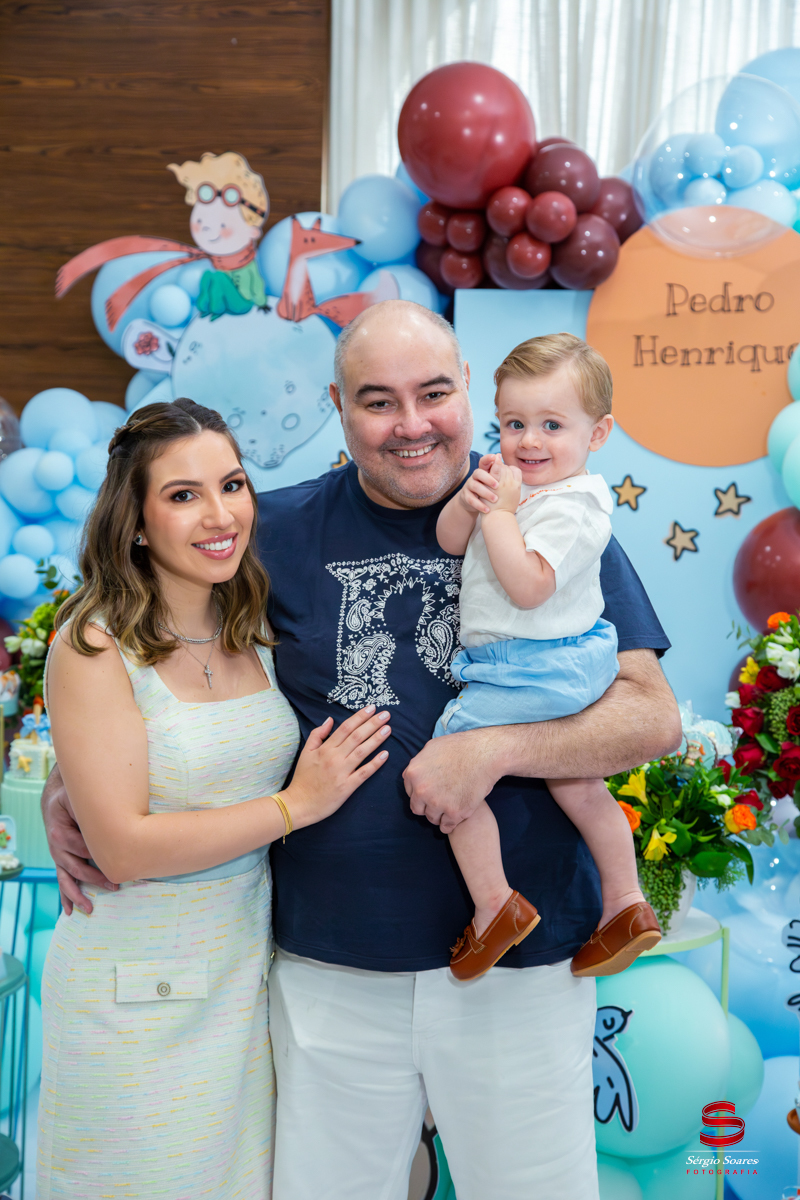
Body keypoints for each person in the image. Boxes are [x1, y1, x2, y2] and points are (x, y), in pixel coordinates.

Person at [43, 301, 681, 1200]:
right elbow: (157, 656)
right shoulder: (269, 532)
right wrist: (72, 781)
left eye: (434, 393)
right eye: (379, 401)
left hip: (521, 969)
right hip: (327, 970)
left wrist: (491, 751)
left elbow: (651, 716)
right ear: (338, 406)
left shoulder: (550, 514)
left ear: (468, 389)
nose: (412, 423)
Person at [36, 398, 390, 1199]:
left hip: (244, 984)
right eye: (183, 495)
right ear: (135, 521)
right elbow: (122, 847)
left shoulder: (252, 625)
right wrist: (295, 806)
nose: (220, 515)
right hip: (133, 995)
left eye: (231, 485)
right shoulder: (93, 644)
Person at [435, 333, 660, 981]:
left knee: (447, 773)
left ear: (598, 433)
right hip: (552, 662)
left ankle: (494, 906)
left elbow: (529, 586)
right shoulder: (518, 490)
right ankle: (625, 904)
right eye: (514, 424)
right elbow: (450, 541)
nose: (529, 441)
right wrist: (471, 502)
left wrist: (500, 515)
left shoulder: (575, 506)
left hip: (531, 664)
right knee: (578, 781)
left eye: (552, 426)